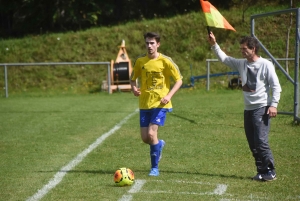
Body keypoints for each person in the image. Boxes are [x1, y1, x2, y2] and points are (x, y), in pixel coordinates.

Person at [207, 32, 281, 181]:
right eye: (241, 49)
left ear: (253, 49)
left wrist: (273, 105)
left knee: (261, 141)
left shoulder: (265, 64)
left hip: (262, 107)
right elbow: (224, 58)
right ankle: (261, 170)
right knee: (252, 143)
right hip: (248, 109)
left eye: (244, 49)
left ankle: (271, 171)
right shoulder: (241, 63)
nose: (242, 51)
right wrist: (214, 44)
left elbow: (276, 86)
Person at [130, 32, 183, 176]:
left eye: (152, 43)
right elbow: (133, 78)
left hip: (160, 104)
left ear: (158, 44)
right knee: (145, 138)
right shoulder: (140, 61)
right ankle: (159, 145)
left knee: (152, 133)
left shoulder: (166, 61)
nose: (149, 46)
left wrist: (169, 96)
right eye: (147, 43)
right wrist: (134, 88)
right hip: (144, 104)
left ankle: (154, 168)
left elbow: (179, 80)